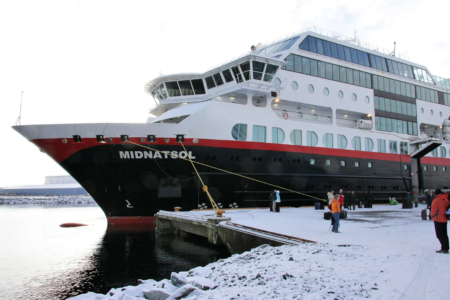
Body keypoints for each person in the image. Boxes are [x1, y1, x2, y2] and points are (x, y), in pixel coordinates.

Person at [430, 188, 450, 253]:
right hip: (445, 219)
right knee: (444, 234)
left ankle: (444, 248)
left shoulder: (436, 200)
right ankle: (446, 247)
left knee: (439, 235)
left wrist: (432, 216)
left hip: (438, 219)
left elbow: (433, 210)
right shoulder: (446, 199)